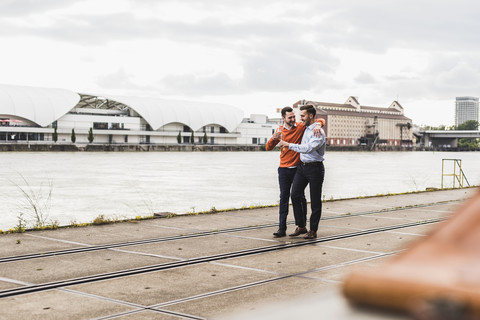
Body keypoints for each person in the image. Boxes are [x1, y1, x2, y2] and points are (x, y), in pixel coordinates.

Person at [266, 106, 325, 238]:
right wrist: (273, 138)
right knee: (287, 197)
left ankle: (308, 228)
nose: (295, 119)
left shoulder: (302, 127)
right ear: (283, 119)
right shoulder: (280, 131)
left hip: (303, 167)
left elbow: (317, 120)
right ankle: (285, 228)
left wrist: (319, 124)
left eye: (296, 116)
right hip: (288, 168)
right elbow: (268, 147)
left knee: (308, 199)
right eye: (290, 117)